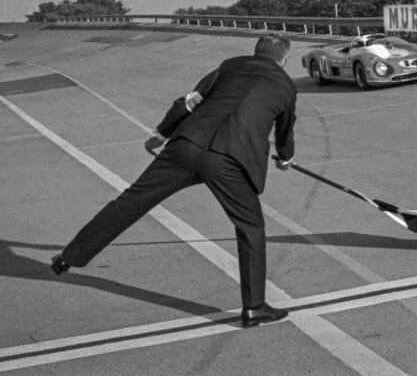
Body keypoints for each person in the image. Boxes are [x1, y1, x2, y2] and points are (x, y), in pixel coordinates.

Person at [50, 33, 297, 327]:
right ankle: (254, 308)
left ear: (256, 52)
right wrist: (285, 157)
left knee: (131, 201)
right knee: (251, 227)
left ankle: (69, 257)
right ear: (284, 59)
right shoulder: (285, 86)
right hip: (231, 160)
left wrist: (163, 133)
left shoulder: (229, 66)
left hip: (186, 145)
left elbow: (189, 103)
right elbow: (285, 129)